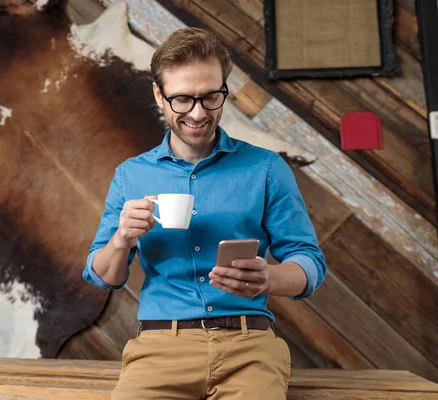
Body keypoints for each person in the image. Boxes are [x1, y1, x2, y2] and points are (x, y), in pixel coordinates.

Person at [82, 27, 326, 400]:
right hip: (160, 348)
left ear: (224, 90)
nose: (198, 113)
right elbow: (103, 276)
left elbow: (310, 262)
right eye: (182, 99)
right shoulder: (131, 175)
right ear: (158, 95)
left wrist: (269, 278)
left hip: (250, 347)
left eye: (211, 97)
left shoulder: (267, 169)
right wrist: (120, 240)